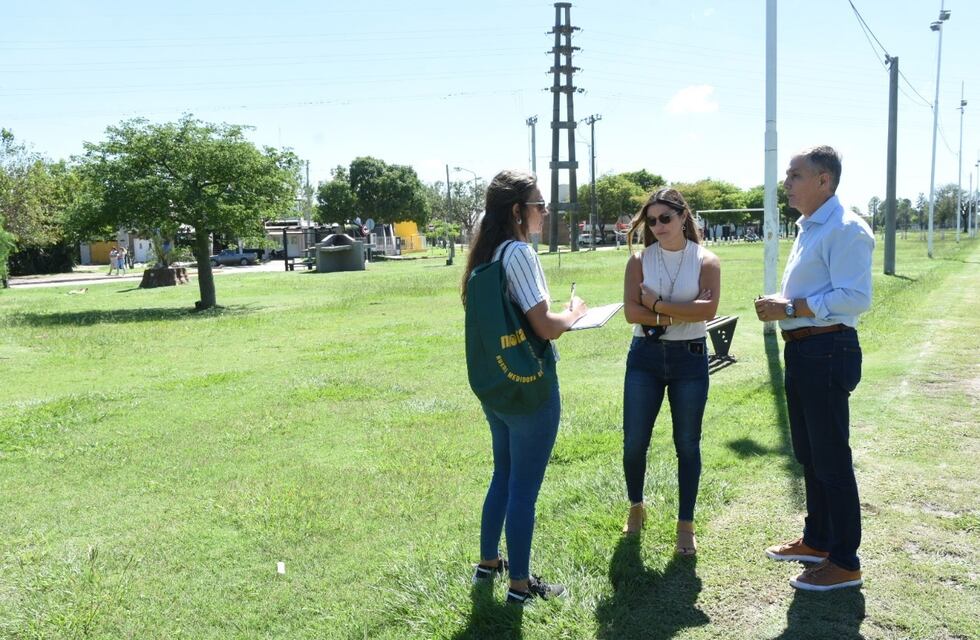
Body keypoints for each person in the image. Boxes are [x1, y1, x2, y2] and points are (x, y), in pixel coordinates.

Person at [461, 169, 588, 604]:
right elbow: (545, 327)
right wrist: (574, 312)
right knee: (524, 490)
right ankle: (520, 586)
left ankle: (488, 563)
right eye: (539, 205)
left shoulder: (485, 254)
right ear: (518, 211)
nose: (545, 212)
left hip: (496, 384)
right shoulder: (518, 252)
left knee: (503, 474)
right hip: (529, 387)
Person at [754, 145, 873, 591]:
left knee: (831, 459)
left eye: (794, 175)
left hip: (827, 350)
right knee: (809, 453)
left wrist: (792, 306)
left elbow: (856, 298)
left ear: (824, 180)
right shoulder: (811, 227)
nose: (786, 182)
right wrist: (788, 309)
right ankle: (819, 539)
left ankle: (845, 561)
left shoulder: (846, 228)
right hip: (804, 349)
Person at [620, 188, 721, 556]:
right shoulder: (639, 261)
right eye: (652, 220)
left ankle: (686, 524)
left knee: (687, 444)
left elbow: (707, 312)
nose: (658, 225)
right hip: (645, 357)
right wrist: (676, 312)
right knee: (634, 443)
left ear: (682, 217)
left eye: (665, 218)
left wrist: (657, 304)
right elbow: (633, 313)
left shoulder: (706, 260)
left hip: (690, 358)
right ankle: (636, 506)